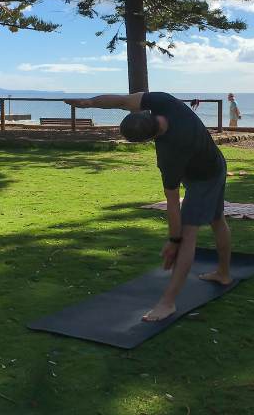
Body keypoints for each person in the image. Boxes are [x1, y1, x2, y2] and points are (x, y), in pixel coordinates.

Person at [64, 92, 231, 321]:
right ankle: (223, 273)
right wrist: (91, 102)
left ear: (145, 140)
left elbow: (173, 202)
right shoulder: (166, 102)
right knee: (216, 219)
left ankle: (167, 302)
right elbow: (123, 100)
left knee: (188, 236)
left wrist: (174, 241)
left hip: (205, 178)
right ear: (144, 112)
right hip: (214, 161)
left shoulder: (169, 153)